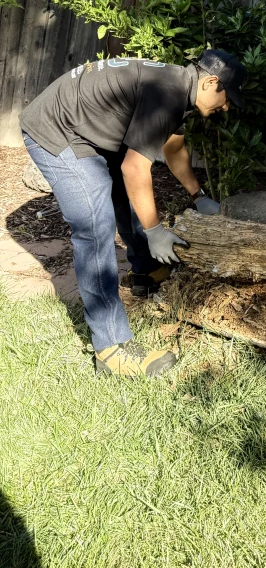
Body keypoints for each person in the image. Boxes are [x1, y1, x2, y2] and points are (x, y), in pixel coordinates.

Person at [19, 48, 246, 378]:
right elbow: (135, 167)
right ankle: (111, 350)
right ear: (212, 81)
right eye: (227, 98)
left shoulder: (179, 90)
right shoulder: (167, 93)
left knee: (124, 197)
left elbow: (174, 149)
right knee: (94, 227)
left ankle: (145, 272)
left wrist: (199, 197)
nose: (226, 107)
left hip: (87, 128)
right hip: (57, 129)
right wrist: (154, 231)